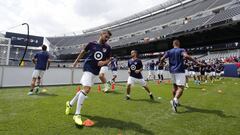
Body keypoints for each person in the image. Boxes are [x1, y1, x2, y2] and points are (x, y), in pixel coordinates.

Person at [65, 30, 112, 126]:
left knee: (85, 90)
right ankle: (77, 114)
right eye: (105, 36)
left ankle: (69, 104)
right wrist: (75, 62)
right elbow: (82, 52)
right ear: (101, 34)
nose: (106, 39)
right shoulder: (91, 44)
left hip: (96, 70)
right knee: (86, 88)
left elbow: (109, 59)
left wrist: (103, 63)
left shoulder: (108, 48)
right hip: (88, 67)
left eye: (108, 38)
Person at [160, 39, 201, 112]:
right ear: (179, 44)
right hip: (179, 71)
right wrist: (196, 62)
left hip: (172, 71)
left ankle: (175, 101)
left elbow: (162, 58)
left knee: (174, 87)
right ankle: (175, 100)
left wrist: (161, 63)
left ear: (173, 44)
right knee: (181, 88)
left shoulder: (169, 51)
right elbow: (186, 56)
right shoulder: (181, 50)